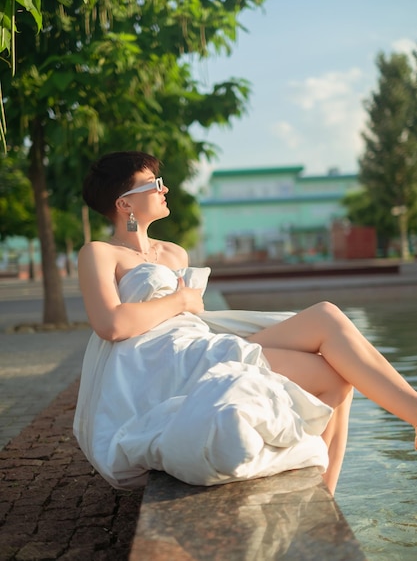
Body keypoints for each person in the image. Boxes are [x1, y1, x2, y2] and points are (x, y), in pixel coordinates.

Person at [74, 150, 417, 496]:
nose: (164, 190)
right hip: (158, 363)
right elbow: (110, 325)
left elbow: (191, 318)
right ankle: (319, 502)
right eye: (153, 184)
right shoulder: (99, 253)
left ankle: (331, 489)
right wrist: (180, 300)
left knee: (329, 332)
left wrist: (187, 308)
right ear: (124, 204)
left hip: (196, 343)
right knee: (334, 376)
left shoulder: (174, 253)